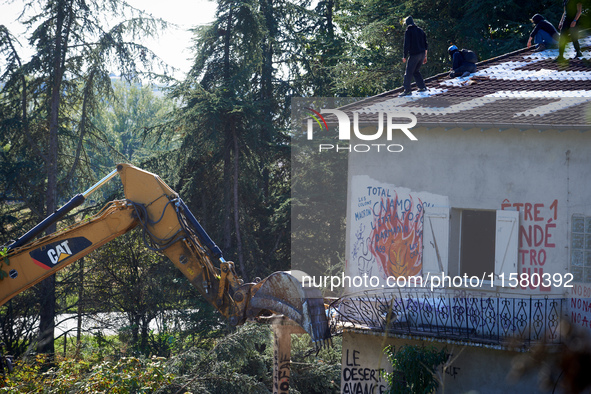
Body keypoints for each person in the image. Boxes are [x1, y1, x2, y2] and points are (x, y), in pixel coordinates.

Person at [399, 16, 428, 97]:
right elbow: (426, 44)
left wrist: (404, 56)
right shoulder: (420, 30)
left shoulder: (409, 31)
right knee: (415, 71)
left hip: (415, 55)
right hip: (422, 54)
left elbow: (406, 44)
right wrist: (425, 56)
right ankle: (422, 87)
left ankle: (407, 90)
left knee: (408, 72)